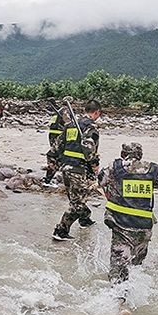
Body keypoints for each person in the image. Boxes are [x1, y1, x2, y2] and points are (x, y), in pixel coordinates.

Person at [99, 143, 158, 288]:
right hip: (143, 227)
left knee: (118, 270)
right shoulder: (152, 170)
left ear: (123, 154)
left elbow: (101, 181)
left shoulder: (113, 168)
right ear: (140, 155)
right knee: (136, 266)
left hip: (120, 225)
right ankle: (134, 292)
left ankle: (119, 302)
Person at [51, 100, 102, 241]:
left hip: (66, 167)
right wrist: (95, 165)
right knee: (77, 203)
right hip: (79, 169)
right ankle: (60, 230)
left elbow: (56, 147)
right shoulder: (90, 127)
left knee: (76, 198)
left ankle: (85, 219)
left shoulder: (70, 125)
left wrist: (54, 163)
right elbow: (89, 149)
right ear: (97, 112)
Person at [42, 97, 73, 185]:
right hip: (59, 136)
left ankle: (48, 179)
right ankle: (61, 178)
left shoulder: (58, 111)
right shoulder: (65, 111)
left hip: (53, 135)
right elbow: (69, 124)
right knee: (59, 157)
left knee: (54, 155)